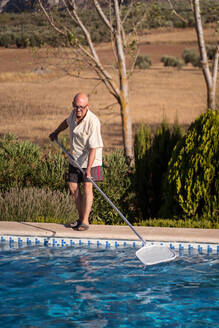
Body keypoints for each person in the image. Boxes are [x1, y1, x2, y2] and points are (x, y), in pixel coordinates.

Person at [49, 92, 103, 231]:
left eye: (81, 107)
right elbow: (66, 123)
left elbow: (93, 148)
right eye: (76, 106)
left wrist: (89, 170)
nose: (78, 110)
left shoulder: (93, 121)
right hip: (75, 158)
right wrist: (56, 132)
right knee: (73, 187)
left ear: (87, 107)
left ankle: (85, 221)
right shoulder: (73, 115)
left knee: (87, 188)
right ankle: (80, 218)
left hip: (91, 160)